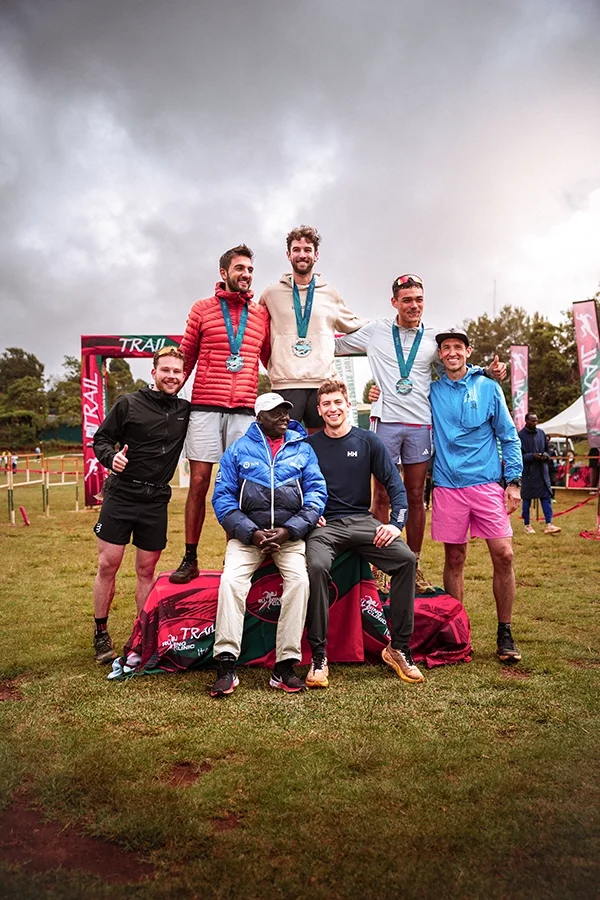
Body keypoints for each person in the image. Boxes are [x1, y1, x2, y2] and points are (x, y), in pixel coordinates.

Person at [336, 273, 506, 593]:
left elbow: (458, 366)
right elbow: (333, 345)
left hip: (419, 425)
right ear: (394, 303)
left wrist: (488, 371)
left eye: (419, 300)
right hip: (385, 422)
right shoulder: (375, 330)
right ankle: (377, 567)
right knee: (382, 496)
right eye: (408, 300)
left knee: (415, 496)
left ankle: (411, 565)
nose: (414, 306)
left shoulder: (433, 339)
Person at [304, 379, 423, 688]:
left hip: (362, 522)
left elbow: (396, 487)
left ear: (348, 406)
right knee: (316, 567)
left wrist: (395, 525)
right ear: (319, 410)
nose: (332, 409)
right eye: (326, 404)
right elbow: (292, 487)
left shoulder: (368, 441)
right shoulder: (308, 445)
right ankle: (319, 656)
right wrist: (308, 515)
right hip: (325, 527)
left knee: (406, 560)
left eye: (337, 403)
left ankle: (398, 648)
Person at [209, 392, 327, 697]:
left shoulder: (303, 449)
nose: (285, 418)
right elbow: (222, 499)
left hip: (289, 536)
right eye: (277, 413)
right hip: (248, 537)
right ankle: (226, 665)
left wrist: (290, 530)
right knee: (231, 581)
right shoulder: (237, 450)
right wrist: (251, 533)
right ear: (259, 418)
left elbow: (316, 495)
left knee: (300, 582)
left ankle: (285, 666)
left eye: (286, 412)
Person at [170, 244, 271, 584]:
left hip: (244, 410)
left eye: (250, 270)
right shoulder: (202, 309)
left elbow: (273, 360)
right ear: (224, 273)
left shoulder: (261, 314)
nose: (246, 275)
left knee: (242, 487)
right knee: (199, 482)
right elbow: (186, 357)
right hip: (205, 407)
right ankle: (190, 557)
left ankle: (236, 560)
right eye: (240, 268)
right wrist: (163, 398)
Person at [429, 328, 523, 664]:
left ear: (468, 351)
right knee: (454, 559)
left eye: (457, 347)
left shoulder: (488, 387)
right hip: (447, 487)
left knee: (505, 554)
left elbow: (509, 436)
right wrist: (377, 391)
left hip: (485, 484)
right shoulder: (432, 390)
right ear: (440, 355)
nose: (451, 352)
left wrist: (513, 481)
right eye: (446, 348)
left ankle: (505, 632)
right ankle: (458, 632)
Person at [91, 348, 190, 664]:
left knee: (146, 570)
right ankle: (100, 633)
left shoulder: (186, 410)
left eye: (177, 371)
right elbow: (101, 440)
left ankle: (142, 636)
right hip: (121, 496)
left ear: (183, 375)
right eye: (166, 370)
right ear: (154, 373)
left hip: (156, 500)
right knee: (109, 564)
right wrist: (111, 458)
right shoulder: (128, 403)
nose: (172, 376)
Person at [259, 225, 368, 431]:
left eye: (307, 250)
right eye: (297, 250)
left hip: (322, 383)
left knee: (321, 449)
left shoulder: (330, 294)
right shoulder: (271, 294)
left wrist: (385, 326)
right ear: (288, 254)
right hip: (285, 383)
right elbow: (256, 331)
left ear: (316, 255)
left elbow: (354, 324)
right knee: (282, 447)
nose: (302, 255)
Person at [519, 412, 561, 535]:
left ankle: (549, 523)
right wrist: (532, 456)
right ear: (526, 421)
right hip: (529, 473)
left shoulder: (541, 434)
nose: (535, 423)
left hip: (542, 471)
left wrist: (545, 456)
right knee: (527, 499)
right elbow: (519, 456)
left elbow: (547, 451)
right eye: (532, 421)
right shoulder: (520, 436)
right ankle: (527, 524)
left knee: (546, 497)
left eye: (536, 420)